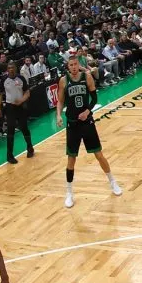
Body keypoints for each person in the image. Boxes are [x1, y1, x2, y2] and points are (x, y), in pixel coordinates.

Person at [55, 57, 122, 208]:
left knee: (99, 154)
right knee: (71, 159)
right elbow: (60, 101)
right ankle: (69, 193)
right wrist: (58, 115)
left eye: (75, 64)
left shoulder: (87, 77)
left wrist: (87, 111)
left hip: (87, 122)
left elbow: (94, 98)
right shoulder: (63, 81)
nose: (73, 67)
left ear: (78, 65)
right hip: (72, 124)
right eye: (70, 65)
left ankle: (112, 182)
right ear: (68, 66)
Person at [1, 62, 35, 164]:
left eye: (13, 67)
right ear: (7, 69)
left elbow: (27, 92)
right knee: (10, 131)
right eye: (9, 68)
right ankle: (9, 156)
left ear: (16, 68)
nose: (11, 69)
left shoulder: (21, 78)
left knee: (24, 128)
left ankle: (30, 148)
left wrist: (21, 100)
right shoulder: (4, 80)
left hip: (20, 107)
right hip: (10, 107)